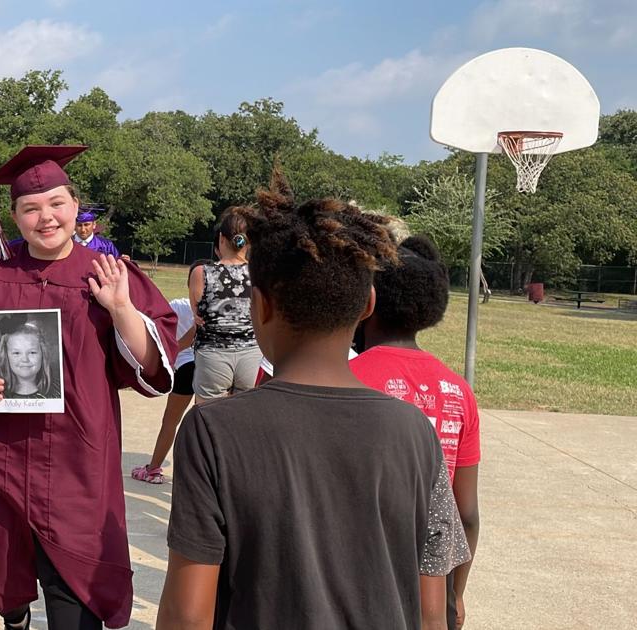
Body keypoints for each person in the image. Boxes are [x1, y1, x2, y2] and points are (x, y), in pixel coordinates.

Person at [157, 173, 469, 630]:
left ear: (258, 305)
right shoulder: (415, 430)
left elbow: (188, 615)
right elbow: (430, 609)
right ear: (368, 304)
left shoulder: (212, 430)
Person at [0, 145, 177, 630]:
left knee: (76, 578)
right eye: (30, 208)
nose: (46, 217)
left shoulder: (107, 273)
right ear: (13, 216)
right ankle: (15, 619)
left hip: (77, 453)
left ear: (75, 206)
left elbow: (153, 366)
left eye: (57, 203)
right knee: (5, 565)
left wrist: (120, 308)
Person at [350, 235, 481, 630]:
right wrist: (454, 595)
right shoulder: (458, 391)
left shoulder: (347, 378)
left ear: (366, 302)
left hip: (358, 575)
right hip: (430, 583)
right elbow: (467, 514)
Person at [130, 261, 207, 485]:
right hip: (213, 368)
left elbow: (172, 345)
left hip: (186, 368)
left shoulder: (177, 306)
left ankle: (153, 469)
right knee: (209, 423)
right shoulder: (219, 308)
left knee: (171, 421)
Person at [190, 206, 262, 401]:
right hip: (251, 353)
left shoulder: (202, 273)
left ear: (221, 238)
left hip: (213, 354)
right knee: (245, 416)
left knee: (207, 416)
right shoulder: (258, 273)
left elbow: (197, 314)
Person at [0, 316, 58, 399]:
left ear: (43, 354)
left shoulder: (58, 394)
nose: (25, 359)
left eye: (32, 352)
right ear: (6, 356)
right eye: (16, 353)